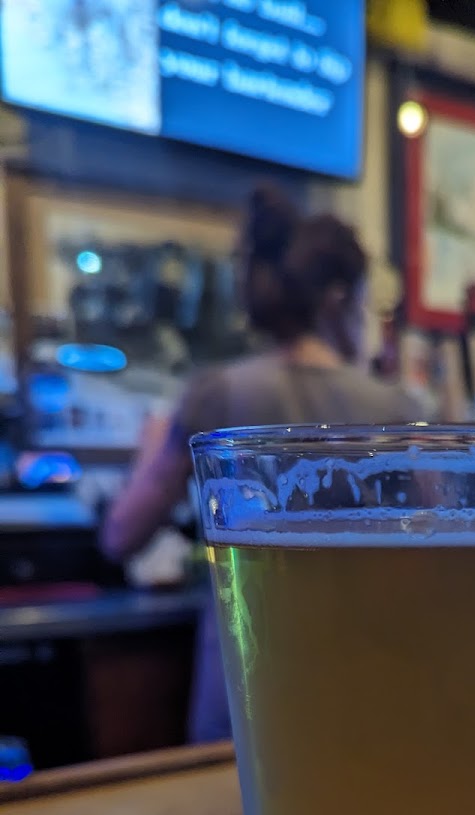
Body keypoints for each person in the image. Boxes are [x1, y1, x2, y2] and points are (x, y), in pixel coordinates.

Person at [102, 186, 418, 742]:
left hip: (245, 700)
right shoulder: (396, 410)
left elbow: (121, 534)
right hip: (365, 693)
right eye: (365, 304)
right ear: (339, 300)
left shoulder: (216, 395)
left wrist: (152, 448)